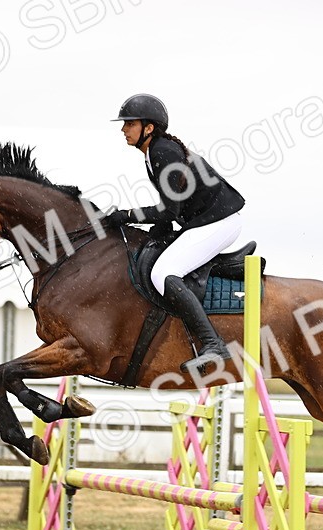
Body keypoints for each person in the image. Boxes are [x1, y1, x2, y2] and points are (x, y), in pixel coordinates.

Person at [100, 93, 245, 371]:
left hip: (219, 222)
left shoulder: (162, 151)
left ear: (149, 128)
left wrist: (128, 215)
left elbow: (169, 211)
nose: (123, 129)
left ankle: (213, 344)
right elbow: (173, 209)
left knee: (163, 274)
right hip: (208, 220)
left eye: (129, 123)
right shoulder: (155, 152)